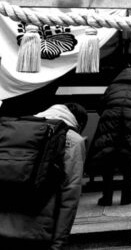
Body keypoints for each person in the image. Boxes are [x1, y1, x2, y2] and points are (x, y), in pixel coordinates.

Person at [0, 102, 89, 250]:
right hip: (37, 233)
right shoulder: (73, 140)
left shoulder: (15, 129)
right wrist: (59, 242)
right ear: (79, 123)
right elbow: (69, 197)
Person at [88, 66, 131, 206]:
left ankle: (106, 197)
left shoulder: (112, 86)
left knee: (107, 158)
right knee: (129, 158)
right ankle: (126, 197)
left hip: (110, 119)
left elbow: (100, 105)